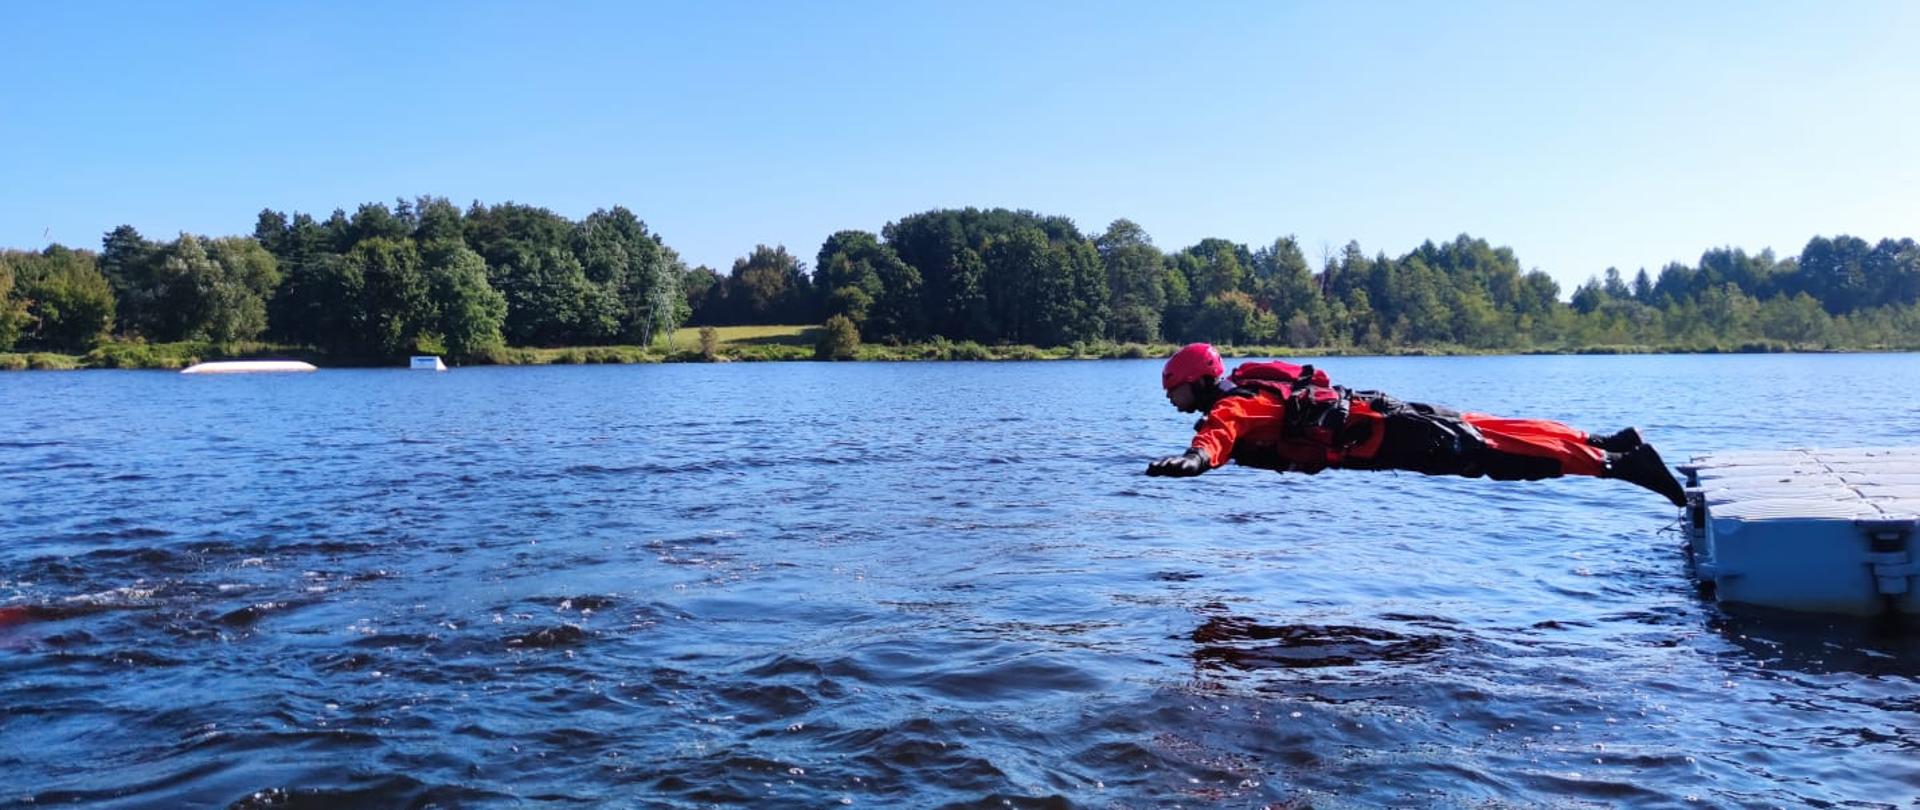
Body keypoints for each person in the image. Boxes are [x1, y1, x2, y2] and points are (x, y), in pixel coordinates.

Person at [1144, 343, 1688, 506]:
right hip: (1383, 412)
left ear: (1197, 380)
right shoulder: (1248, 382)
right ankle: (1601, 441)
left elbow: (1215, 440)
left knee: (1499, 457)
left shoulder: (1233, 405)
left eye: (1175, 389)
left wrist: (1193, 461)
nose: (1171, 398)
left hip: (1389, 437)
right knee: (1489, 428)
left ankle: (1618, 464)